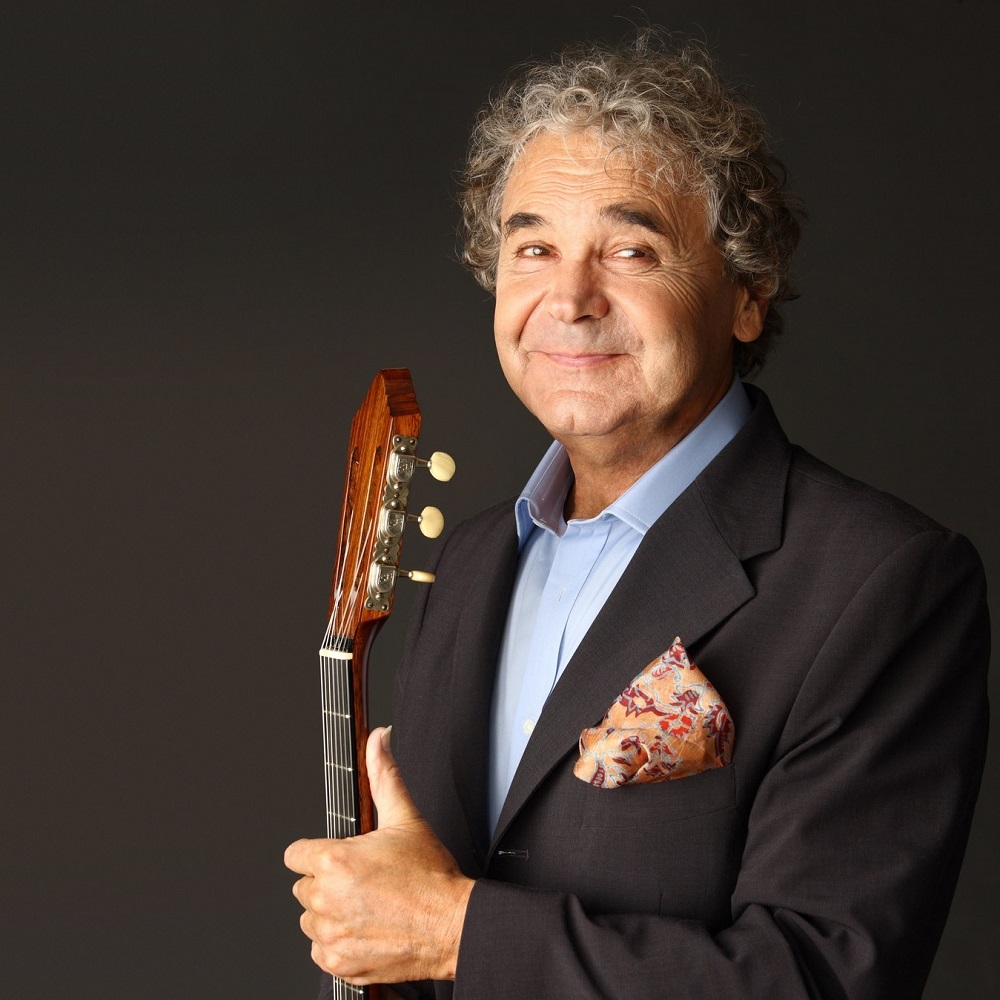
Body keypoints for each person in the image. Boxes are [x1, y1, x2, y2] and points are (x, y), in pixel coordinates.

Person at [285, 35, 989, 999]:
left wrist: (458, 933)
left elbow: (820, 978)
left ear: (746, 296)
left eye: (631, 251)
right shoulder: (472, 562)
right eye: (533, 249)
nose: (570, 300)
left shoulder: (882, 580)